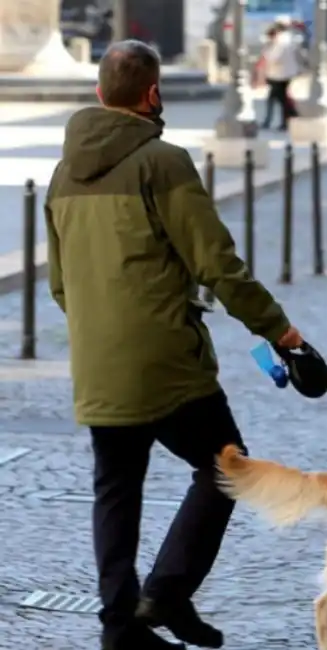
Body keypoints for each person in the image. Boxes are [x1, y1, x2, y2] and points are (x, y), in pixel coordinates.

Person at [45, 40, 305, 650]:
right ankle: (166, 594)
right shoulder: (161, 162)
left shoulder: (62, 173)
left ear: (99, 94)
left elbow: (59, 284)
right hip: (165, 362)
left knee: (115, 490)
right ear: (153, 94)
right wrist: (279, 330)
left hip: (98, 364)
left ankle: (120, 629)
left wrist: (102, 329)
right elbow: (217, 263)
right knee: (228, 466)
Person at [260, 21, 304, 130]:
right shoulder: (288, 41)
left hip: (279, 76)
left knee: (278, 99)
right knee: (281, 99)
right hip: (284, 74)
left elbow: (273, 58)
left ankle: (282, 120)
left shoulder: (280, 43)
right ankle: (286, 120)